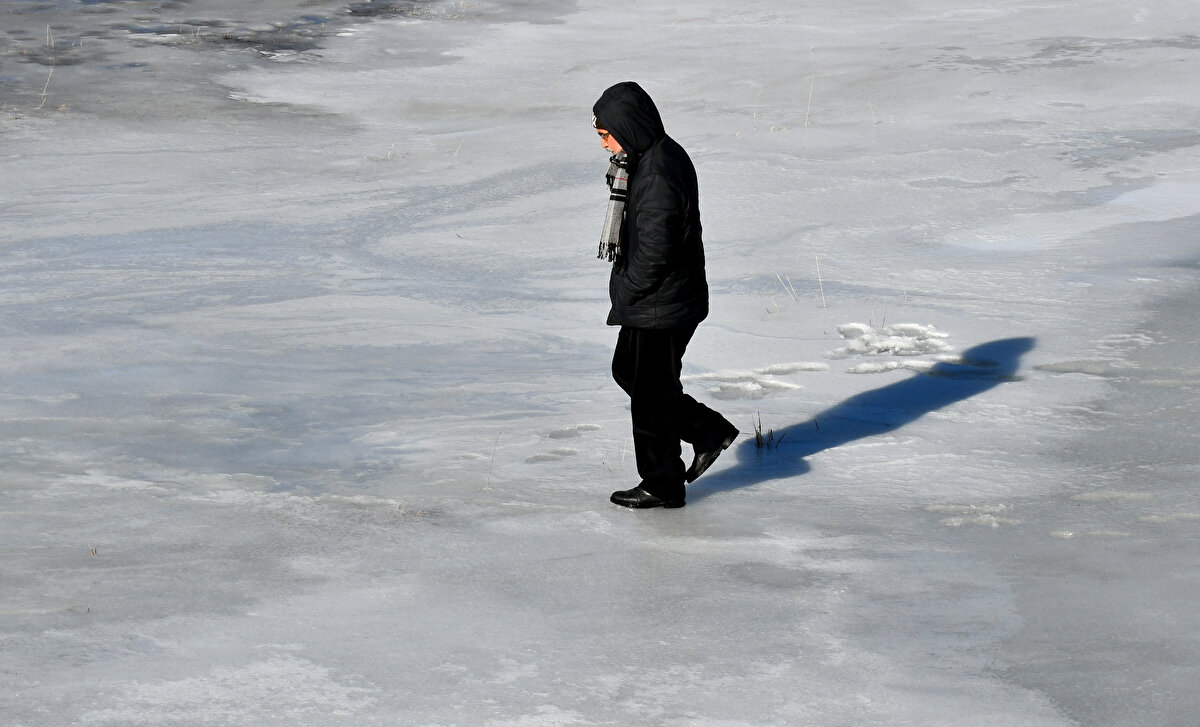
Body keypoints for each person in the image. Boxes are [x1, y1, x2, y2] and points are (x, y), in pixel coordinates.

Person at [591, 81, 739, 509]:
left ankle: (663, 483)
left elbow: (656, 250)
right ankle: (707, 430)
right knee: (630, 373)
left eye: (606, 134)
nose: (604, 145)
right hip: (663, 298)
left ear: (627, 125)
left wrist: (628, 291)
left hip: (663, 301)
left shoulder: (656, 171)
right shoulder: (648, 157)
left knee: (650, 393)